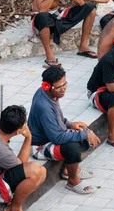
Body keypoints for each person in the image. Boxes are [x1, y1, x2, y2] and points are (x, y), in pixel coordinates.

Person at [28, 66, 101, 195]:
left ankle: (70, 170)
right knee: (72, 145)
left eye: (64, 85)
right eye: (59, 87)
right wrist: (85, 134)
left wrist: (70, 124)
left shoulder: (50, 94)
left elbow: (57, 117)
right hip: (39, 145)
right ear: (46, 86)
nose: (63, 90)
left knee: (82, 132)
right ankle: (73, 181)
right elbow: (57, 138)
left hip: (51, 136)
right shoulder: (44, 106)